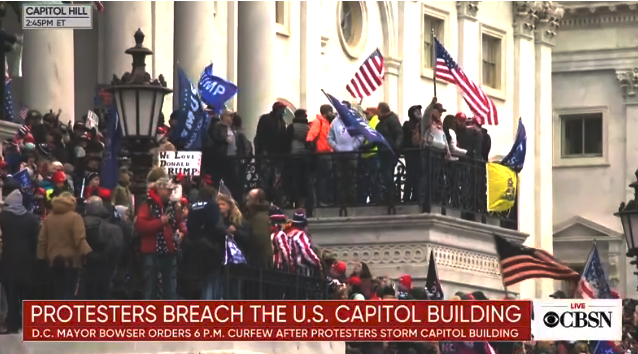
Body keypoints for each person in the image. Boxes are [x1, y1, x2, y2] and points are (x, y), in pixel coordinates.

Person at [135, 177, 186, 300]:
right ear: (159, 189)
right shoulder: (148, 205)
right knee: (151, 288)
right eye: (167, 190)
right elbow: (140, 227)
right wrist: (160, 222)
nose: (170, 192)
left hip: (169, 251)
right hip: (152, 252)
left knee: (170, 287)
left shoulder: (171, 206)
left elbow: (179, 223)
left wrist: (182, 232)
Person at [37, 192, 92, 299]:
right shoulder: (75, 217)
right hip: (71, 262)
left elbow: (42, 241)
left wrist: (41, 258)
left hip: (53, 261)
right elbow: (79, 239)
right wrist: (88, 253)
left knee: (57, 292)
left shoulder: (49, 218)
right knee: (69, 293)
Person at [0, 189, 40, 333]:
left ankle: (13, 323)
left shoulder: (3, 217)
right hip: (26, 259)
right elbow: (36, 239)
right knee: (26, 292)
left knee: (11, 292)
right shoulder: (30, 218)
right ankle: (28, 321)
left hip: (8, 258)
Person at [185, 180, 226, 300]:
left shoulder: (193, 205)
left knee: (199, 281)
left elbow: (190, 225)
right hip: (210, 247)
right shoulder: (212, 205)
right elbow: (218, 226)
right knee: (211, 281)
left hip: (194, 247)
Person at [82, 196, 124, 300]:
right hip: (106, 264)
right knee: (104, 292)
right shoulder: (113, 226)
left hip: (86, 263)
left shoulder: (81, 222)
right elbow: (117, 246)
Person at [328, 107, 363, 206]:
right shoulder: (335, 122)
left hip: (352, 153)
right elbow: (330, 137)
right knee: (339, 178)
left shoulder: (354, 121)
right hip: (339, 154)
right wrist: (336, 146)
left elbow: (361, 136)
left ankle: (351, 201)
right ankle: (340, 201)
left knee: (351, 178)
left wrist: (353, 146)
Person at [375, 103, 403, 204]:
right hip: (382, 152)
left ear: (383, 111)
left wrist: (395, 148)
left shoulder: (392, 120)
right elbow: (378, 139)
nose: (376, 113)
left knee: (388, 175)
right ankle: (386, 196)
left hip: (389, 152)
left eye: (378, 111)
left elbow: (399, 134)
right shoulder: (381, 123)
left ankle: (391, 197)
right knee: (385, 176)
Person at [307, 104, 334, 207]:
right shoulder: (320, 122)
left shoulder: (327, 123)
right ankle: (322, 200)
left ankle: (325, 199)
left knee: (326, 178)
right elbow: (312, 133)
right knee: (323, 178)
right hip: (322, 153)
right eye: (330, 112)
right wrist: (309, 141)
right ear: (325, 113)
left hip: (327, 152)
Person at [286, 109, 311, 209]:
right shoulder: (308, 127)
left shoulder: (292, 127)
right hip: (305, 155)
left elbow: (287, 141)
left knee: (294, 179)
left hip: (294, 154)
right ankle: (304, 202)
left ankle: (294, 200)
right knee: (304, 180)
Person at [242, 189, 273, 270]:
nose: (247, 198)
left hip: (259, 260)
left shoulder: (260, 217)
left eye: (250, 196)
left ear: (257, 200)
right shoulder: (252, 213)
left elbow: (259, 239)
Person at [288, 209, 322, 278]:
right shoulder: (300, 235)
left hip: (291, 270)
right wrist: (317, 262)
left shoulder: (289, 234)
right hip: (301, 271)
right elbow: (306, 251)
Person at [402, 105, 422, 202]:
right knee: (410, 175)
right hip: (410, 152)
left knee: (417, 176)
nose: (419, 113)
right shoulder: (408, 124)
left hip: (419, 153)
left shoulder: (421, 124)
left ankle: (416, 196)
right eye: (416, 112)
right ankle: (406, 197)